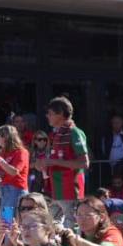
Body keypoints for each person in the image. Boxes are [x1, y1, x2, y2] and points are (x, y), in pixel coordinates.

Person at [37, 97, 89, 226]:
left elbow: (84, 163)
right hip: (56, 191)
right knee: (51, 228)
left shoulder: (74, 132)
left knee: (71, 229)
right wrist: (44, 166)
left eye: (50, 113)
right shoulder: (57, 134)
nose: (47, 116)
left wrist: (53, 162)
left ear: (60, 114)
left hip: (70, 190)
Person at [0, 124, 29, 220]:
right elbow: (1, 171)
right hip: (6, 191)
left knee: (10, 222)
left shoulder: (21, 152)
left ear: (5, 137)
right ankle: (7, 235)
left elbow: (14, 171)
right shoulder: (3, 153)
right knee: (6, 221)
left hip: (17, 191)